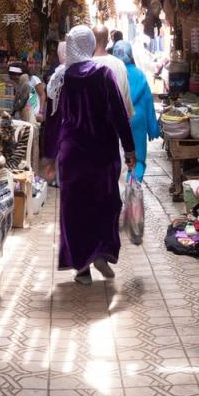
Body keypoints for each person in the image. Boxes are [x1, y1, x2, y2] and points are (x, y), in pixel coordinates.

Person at [43, 26, 136, 285]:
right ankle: (101, 252)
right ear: (90, 44)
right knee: (105, 204)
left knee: (75, 210)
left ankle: (82, 267)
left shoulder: (60, 78)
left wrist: (49, 157)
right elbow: (119, 114)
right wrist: (129, 149)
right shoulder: (103, 74)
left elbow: (53, 122)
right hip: (103, 154)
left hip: (72, 156)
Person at [112, 41, 160, 181]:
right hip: (138, 118)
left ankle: (120, 187)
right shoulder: (139, 75)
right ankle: (133, 183)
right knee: (138, 158)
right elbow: (148, 101)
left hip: (117, 119)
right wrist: (153, 128)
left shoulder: (111, 73)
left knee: (118, 154)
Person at [91, 25, 134, 117]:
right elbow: (126, 101)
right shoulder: (119, 65)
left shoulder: (85, 66)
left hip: (92, 126)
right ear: (107, 41)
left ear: (91, 41)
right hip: (116, 123)